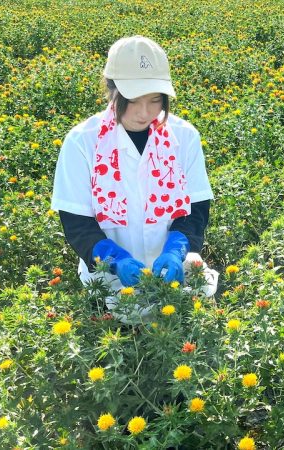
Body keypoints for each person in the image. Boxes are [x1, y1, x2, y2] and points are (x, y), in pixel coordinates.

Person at [50, 35, 216, 320]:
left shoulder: (184, 136)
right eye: (133, 100)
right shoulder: (82, 141)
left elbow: (196, 207)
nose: (145, 112)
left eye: (155, 100)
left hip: (173, 280)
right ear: (112, 90)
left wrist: (177, 249)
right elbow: (76, 222)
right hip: (111, 286)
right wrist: (114, 259)